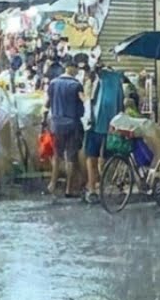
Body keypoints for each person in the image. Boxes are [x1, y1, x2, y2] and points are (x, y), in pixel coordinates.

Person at [45, 60, 85, 197]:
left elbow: (47, 104)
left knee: (57, 154)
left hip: (56, 125)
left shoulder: (53, 83)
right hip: (72, 124)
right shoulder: (76, 85)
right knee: (71, 157)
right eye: (76, 69)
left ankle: (52, 184)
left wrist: (46, 120)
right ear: (70, 68)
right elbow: (83, 101)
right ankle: (69, 189)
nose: (77, 71)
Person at [85, 67, 125, 204]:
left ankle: (92, 189)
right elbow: (120, 105)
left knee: (92, 157)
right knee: (107, 157)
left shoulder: (94, 80)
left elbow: (88, 102)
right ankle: (104, 185)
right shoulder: (116, 79)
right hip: (112, 125)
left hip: (95, 125)